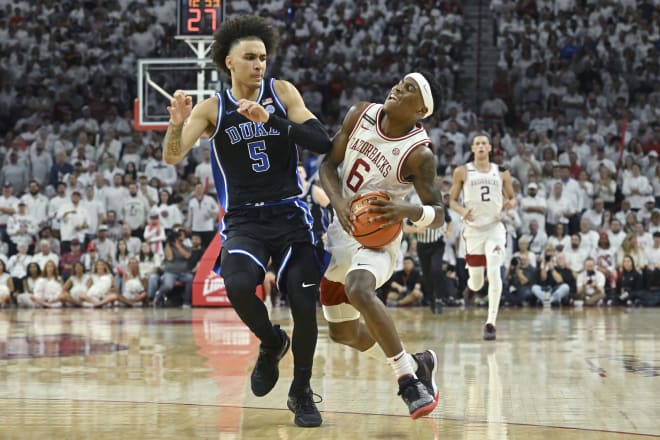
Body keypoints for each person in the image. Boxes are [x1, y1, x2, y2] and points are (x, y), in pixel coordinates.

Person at [162, 15, 332, 428]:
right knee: (238, 287)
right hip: (244, 220)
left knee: (305, 304)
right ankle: (272, 342)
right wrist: (175, 123)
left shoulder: (282, 91)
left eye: (263, 57)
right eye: (250, 58)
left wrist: (270, 120)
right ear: (229, 63)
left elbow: (322, 142)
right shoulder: (212, 108)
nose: (260, 64)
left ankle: (302, 391)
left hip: (292, 212)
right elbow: (172, 155)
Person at [318, 72, 443, 419]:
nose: (398, 88)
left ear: (420, 109)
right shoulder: (360, 113)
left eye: (409, 90)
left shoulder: (420, 155)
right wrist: (339, 202)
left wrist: (408, 210)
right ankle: (417, 363)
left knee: (359, 288)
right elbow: (327, 164)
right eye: (401, 83)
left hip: (378, 240)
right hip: (340, 229)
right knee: (342, 333)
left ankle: (408, 382)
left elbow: (440, 215)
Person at [449, 133, 516, 340]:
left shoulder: (502, 172)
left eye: (484, 143)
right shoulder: (461, 171)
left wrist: (508, 204)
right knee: (477, 282)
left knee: (494, 270)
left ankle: (491, 323)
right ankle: (471, 288)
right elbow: (452, 201)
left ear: (489, 148)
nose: (480, 146)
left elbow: (512, 198)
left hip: (495, 228)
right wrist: (462, 211)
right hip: (474, 230)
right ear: (472, 148)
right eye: (476, 143)